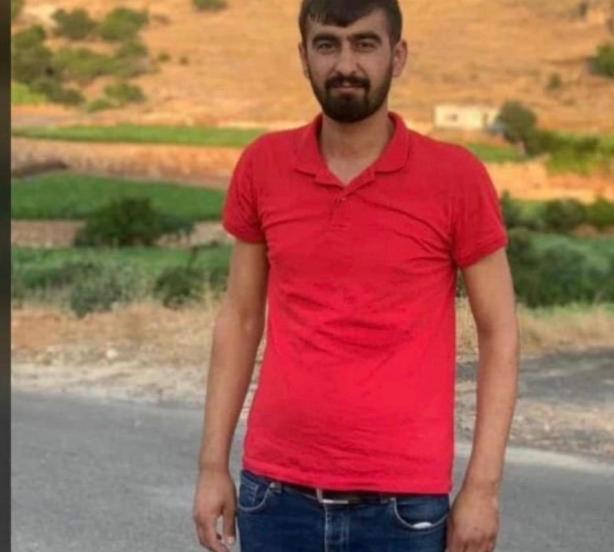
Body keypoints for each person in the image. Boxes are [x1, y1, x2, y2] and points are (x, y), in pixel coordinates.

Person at [192, 1, 519, 550]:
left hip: (404, 506)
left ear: (398, 55)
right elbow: (241, 319)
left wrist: (482, 489)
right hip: (273, 495)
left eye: (365, 43)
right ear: (304, 57)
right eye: (327, 45)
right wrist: (211, 466)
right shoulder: (263, 165)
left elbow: (500, 332)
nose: (346, 64)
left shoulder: (455, 177)